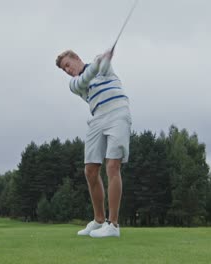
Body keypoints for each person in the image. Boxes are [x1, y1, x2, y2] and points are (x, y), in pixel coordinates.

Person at [55, 49, 132, 238]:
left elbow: (104, 66)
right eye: (64, 70)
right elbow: (84, 78)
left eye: (67, 65)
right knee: (90, 170)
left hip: (118, 112)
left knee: (113, 166)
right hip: (97, 117)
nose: (67, 71)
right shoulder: (75, 84)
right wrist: (98, 63)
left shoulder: (103, 69)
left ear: (77, 59)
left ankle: (113, 225)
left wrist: (104, 59)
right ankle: (99, 221)